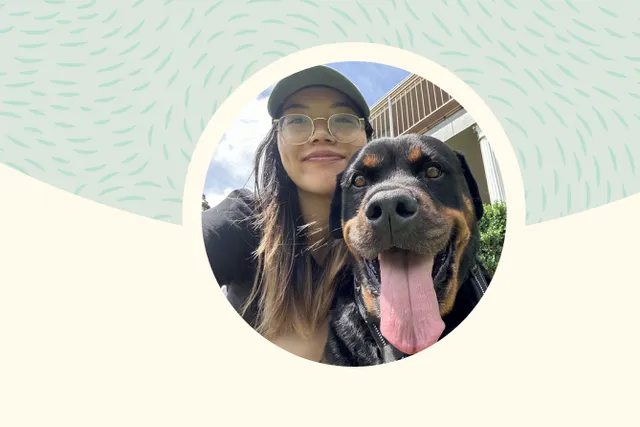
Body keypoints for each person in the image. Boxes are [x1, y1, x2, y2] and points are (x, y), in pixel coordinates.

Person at [202, 65, 374, 362]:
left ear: (368, 140)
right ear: (277, 141)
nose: (320, 134)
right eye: (296, 120)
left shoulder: (389, 240)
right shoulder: (242, 221)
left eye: (344, 119)